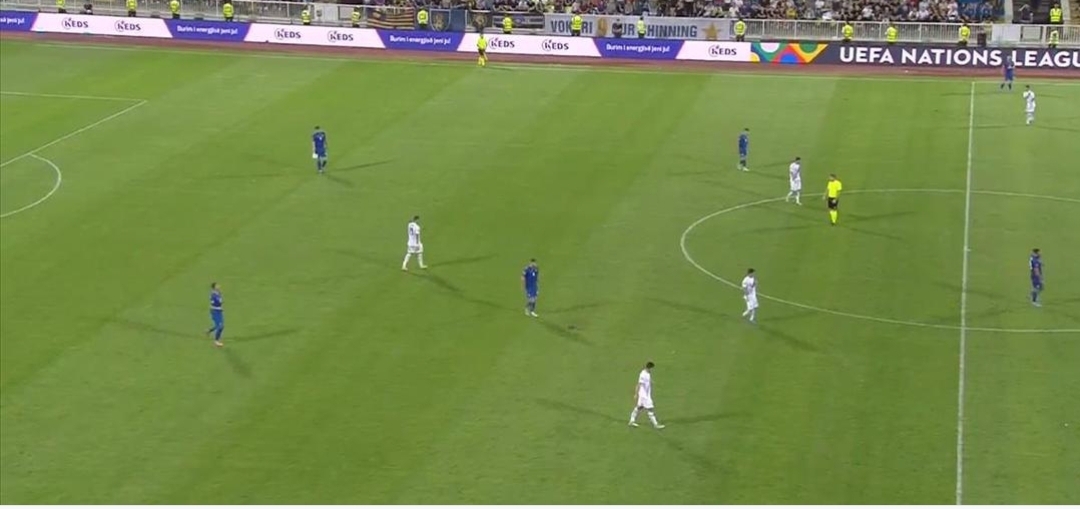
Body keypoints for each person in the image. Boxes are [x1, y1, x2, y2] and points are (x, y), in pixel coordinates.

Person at [628, 361, 665, 429]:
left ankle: (631, 421)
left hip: (645, 394)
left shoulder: (648, 373)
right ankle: (656, 425)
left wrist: (651, 381)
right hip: (644, 396)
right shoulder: (643, 374)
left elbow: (648, 379)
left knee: (639, 407)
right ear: (649, 368)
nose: (652, 370)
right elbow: (639, 384)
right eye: (652, 368)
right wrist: (636, 394)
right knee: (650, 409)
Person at [206, 283, 225, 348]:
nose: (219, 286)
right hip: (215, 311)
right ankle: (216, 342)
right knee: (220, 326)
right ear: (214, 287)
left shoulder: (218, 293)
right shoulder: (214, 295)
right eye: (217, 285)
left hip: (219, 311)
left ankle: (209, 330)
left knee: (219, 326)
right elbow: (219, 302)